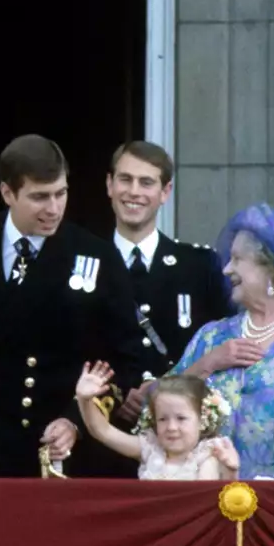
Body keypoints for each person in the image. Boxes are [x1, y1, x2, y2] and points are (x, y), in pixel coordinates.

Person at [0, 134, 147, 477]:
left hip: (51, 449)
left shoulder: (95, 254)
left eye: (60, 193)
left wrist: (76, 419)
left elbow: (122, 360)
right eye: (39, 197)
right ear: (8, 193)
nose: (53, 209)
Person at [160, 204, 274, 479]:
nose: (226, 269)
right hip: (204, 502)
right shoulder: (212, 337)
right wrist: (208, 364)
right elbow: (153, 411)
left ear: (271, 268)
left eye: (237, 259)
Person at [105, 141, 230, 411]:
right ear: (110, 185)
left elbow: (221, 345)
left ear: (165, 191)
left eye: (146, 182)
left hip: (181, 428)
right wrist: (115, 395)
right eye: (125, 179)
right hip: (105, 431)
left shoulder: (200, 266)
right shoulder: (84, 262)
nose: (133, 192)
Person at [74, 361, 238, 480]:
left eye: (181, 418)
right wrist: (84, 399)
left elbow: (206, 499)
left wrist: (230, 472)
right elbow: (103, 431)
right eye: (162, 419)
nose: (171, 427)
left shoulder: (207, 455)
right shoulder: (150, 447)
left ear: (202, 419)